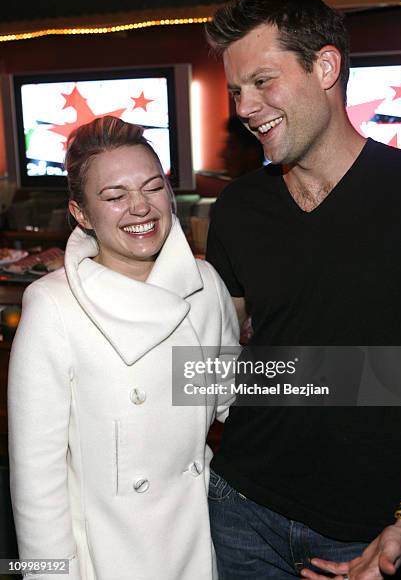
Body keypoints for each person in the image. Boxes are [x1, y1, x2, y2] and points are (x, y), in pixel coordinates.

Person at [204, 0, 401, 580]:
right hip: (240, 512)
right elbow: (215, 354)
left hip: (375, 535)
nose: (245, 107)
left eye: (262, 82)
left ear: (326, 67)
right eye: (236, 91)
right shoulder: (238, 209)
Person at [8, 116, 239, 580]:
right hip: (105, 556)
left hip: (195, 543)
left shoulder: (204, 286)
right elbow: (36, 477)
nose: (140, 208)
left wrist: (363, 380)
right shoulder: (53, 305)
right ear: (81, 213)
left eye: (153, 188)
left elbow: (229, 400)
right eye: (114, 197)